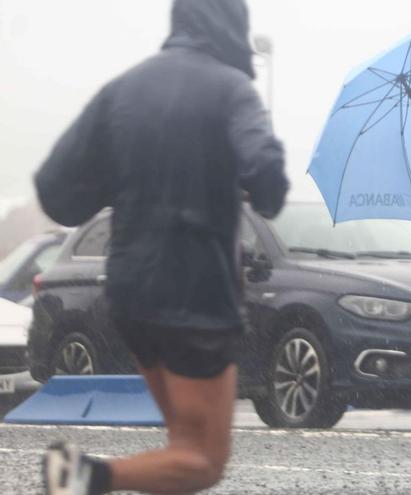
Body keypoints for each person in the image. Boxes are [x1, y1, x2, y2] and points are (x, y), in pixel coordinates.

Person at [34, 0, 288, 493]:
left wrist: (124, 181)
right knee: (203, 460)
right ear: (232, 22)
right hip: (196, 294)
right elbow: (270, 183)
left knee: (181, 442)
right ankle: (81, 476)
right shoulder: (232, 89)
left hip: (131, 291)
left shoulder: (124, 89)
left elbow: (55, 191)